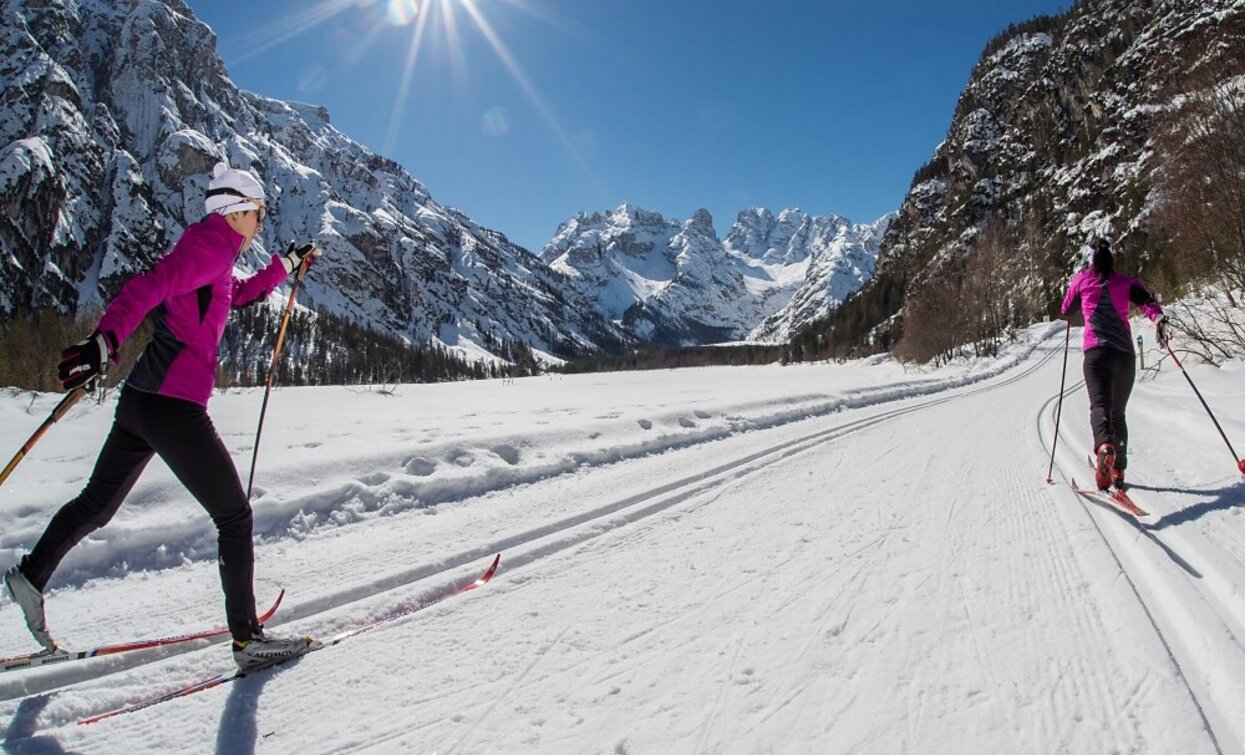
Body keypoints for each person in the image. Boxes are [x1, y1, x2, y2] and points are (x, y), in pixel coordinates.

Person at [5, 162, 322, 670]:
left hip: (142, 401)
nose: (261, 224)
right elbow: (149, 285)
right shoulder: (210, 246)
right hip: (174, 406)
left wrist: (284, 265)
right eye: (258, 214)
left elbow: (235, 295)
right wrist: (105, 339)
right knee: (235, 516)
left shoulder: (213, 252)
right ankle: (247, 639)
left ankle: (30, 576)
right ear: (236, 211)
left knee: (96, 503)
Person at [1061, 237, 1168, 491]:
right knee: (1118, 413)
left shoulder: (1082, 280)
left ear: (1090, 260)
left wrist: (1078, 291)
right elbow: (1149, 304)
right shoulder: (1126, 281)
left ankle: (1104, 447)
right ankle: (1118, 471)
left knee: (1100, 406)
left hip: (1097, 354)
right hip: (1125, 356)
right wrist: (1160, 321)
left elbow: (1066, 309)